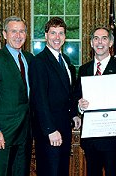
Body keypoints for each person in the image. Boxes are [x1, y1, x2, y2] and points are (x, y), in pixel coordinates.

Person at [74, 27, 116, 176]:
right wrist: (79, 106)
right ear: (91, 42)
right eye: (96, 38)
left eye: (104, 38)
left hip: (114, 138)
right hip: (91, 138)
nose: (99, 42)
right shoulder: (83, 70)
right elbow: (77, 97)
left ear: (111, 42)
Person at [0, 16, 34, 176]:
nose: (18, 35)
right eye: (13, 31)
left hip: (25, 132)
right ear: (4, 34)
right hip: (3, 133)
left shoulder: (29, 59)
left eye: (22, 31)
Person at [28, 17, 80, 176]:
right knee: (50, 171)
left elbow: (67, 93)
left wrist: (74, 114)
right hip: (49, 131)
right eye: (53, 33)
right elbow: (39, 99)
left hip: (64, 127)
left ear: (65, 37)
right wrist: (50, 130)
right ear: (46, 35)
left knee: (62, 170)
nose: (57, 37)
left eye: (61, 33)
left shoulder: (65, 60)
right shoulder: (39, 62)